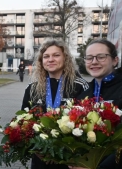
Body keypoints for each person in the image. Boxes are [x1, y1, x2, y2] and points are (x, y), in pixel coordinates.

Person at [21, 39, 89, 169]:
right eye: (46, 56)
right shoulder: (32, 89)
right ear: (41, 61)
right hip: (41, 157)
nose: (50, 59)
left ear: (65, 58)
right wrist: (36, 148)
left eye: (56, 55)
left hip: (70, 159)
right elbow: (24, 123)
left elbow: (87, 124)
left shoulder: (80, 86)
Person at [75, 38, 122, 169]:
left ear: (115, 60)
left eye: (101, 57)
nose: (94, 62)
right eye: (89, 58)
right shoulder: (84, 93)